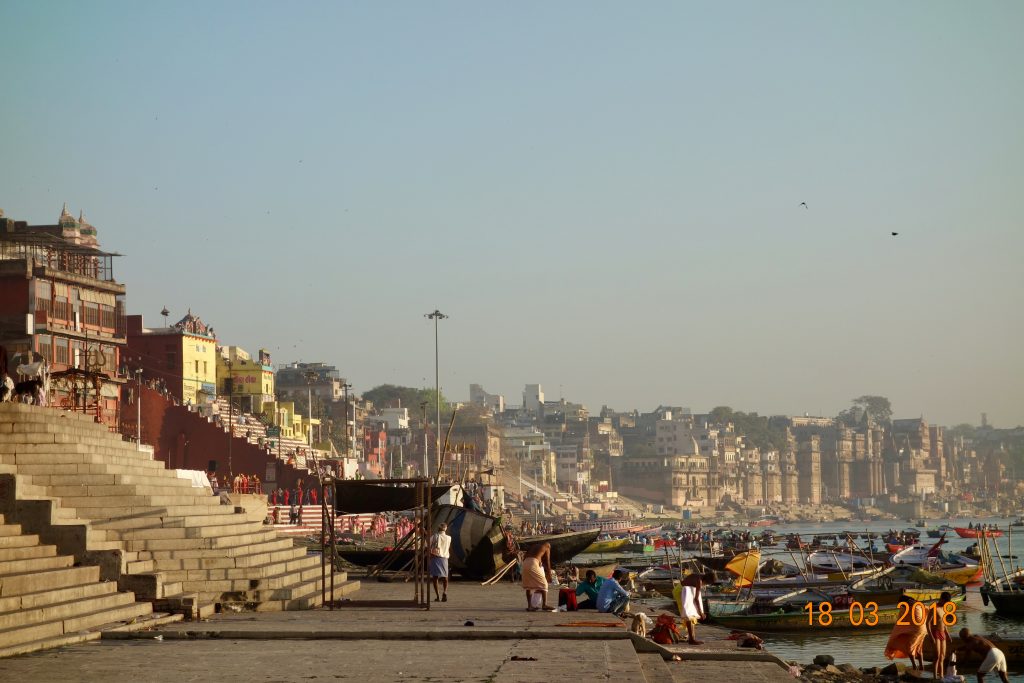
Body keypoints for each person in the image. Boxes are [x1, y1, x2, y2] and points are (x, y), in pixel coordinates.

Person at [885, 599, 927, 671]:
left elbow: (900, 622)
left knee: (910, 648)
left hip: (916, 630)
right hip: (923, 630)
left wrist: (896, 633)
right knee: (919, 648)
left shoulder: (906, 609)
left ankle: (914, 666)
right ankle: (921, 666)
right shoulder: (919, 606)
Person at [521, 542, 556, 611]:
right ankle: (544, 605)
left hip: (525, 563)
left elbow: (528, 556)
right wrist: (549, 574)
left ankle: (529, 606)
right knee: (544, 584)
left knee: (529, 586)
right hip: (533, 563)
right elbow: (547, 561)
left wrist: (539, 561)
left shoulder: (534, 546)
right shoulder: (547, 547)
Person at [675, 573, 708, 645]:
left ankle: (692, 638)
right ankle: (692, 639)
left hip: (683, 590)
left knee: (691, 615)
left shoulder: (699, 576)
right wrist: (701, 613)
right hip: (681, 591)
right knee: (689, 615)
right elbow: (696, 599)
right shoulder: (699, 581)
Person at [931, 592, 953, 679]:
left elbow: (944, 623)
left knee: (942, 656)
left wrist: (948, 635)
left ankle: (942, 676)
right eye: (945, 602)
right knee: (936, 656)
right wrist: (931, 637)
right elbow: (928, 623)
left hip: (942, 633)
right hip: (935, 633)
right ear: (942, 599)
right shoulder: (934, 608)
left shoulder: (944, 609)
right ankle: (935, 677)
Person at [429, 522, 451, 602]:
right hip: (445, 558)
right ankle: (445, 592)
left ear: (438, 528)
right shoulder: (449, 538)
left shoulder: (434, 536)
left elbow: (427, 544)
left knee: (435, 577)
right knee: (445, 577)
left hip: (435, 558)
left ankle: (438, 596)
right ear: (446, 529)